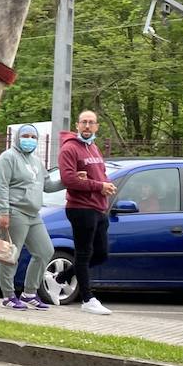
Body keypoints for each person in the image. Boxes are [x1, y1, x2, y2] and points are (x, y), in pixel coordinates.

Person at [55, 110, 116, 314]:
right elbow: (69, 179)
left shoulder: (94, 147)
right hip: (80, 208)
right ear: (77, 125)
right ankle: (87, 299)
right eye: (84, 122)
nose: (87, 126)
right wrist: (98, 186)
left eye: (91, 122)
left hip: (99, 208)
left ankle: (63, 276)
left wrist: (106, 184)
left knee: (100, 254)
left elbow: (100, 173)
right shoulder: (70, 148)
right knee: (84, 253)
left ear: (97, 126)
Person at [0, 125, 54, 311]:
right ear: (17, 138)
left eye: (33, 136)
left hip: (33, 214)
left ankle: (29, 293)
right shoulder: (7, 157)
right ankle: (8, 296)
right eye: (25, 136)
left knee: (45, 251)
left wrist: (70, 179)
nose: (29, 139)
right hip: (14, 211)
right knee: (10, 254)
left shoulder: (35, 161)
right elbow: (1, 186)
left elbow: (48, 185)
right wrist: (3, 211)